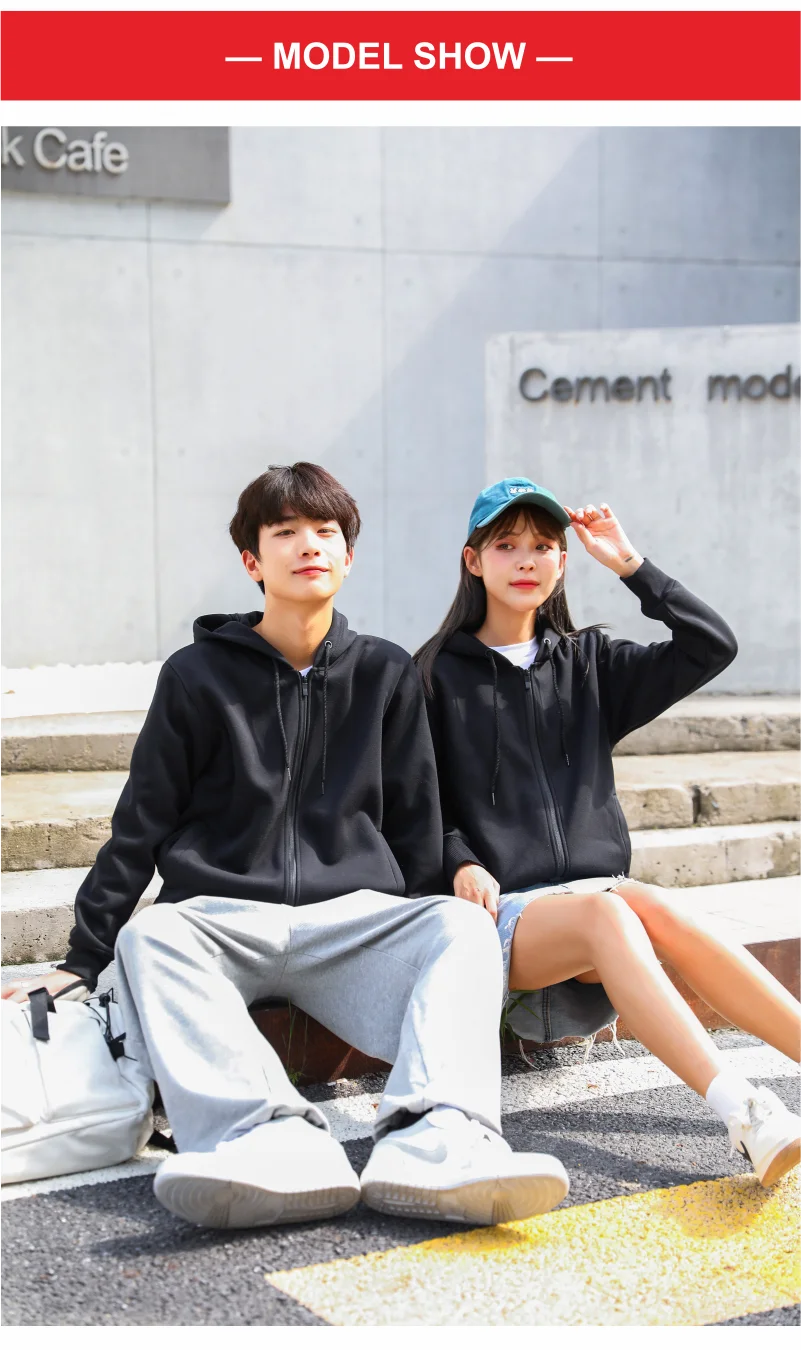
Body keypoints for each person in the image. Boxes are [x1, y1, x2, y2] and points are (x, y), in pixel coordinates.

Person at [3, 462, 569, 1229]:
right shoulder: (196, 676)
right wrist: (82, 957)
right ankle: (265, 1137)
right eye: (286, 532)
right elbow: (142, 823)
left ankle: (438, 1138)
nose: (309, 545)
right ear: (252, 561)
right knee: (151, 935)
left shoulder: (384, 671)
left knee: (456, 926)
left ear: (348, 556)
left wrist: (445, 885)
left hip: (351, 922)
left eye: (326, 531)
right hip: (223, 920)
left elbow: (415, 817)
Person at [415, 476, 801, 1189]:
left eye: (543, 546)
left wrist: (631, 566)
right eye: (506, 545)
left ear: (563, 562)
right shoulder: (433, 676)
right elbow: (413, 801)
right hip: (504, 916)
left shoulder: (589, 664)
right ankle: (743, 1111)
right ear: (474, 561)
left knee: (646, 904)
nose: (525, 560)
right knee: (611, 910)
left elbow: (710, 645)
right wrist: (459, 859)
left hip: (598, 903)